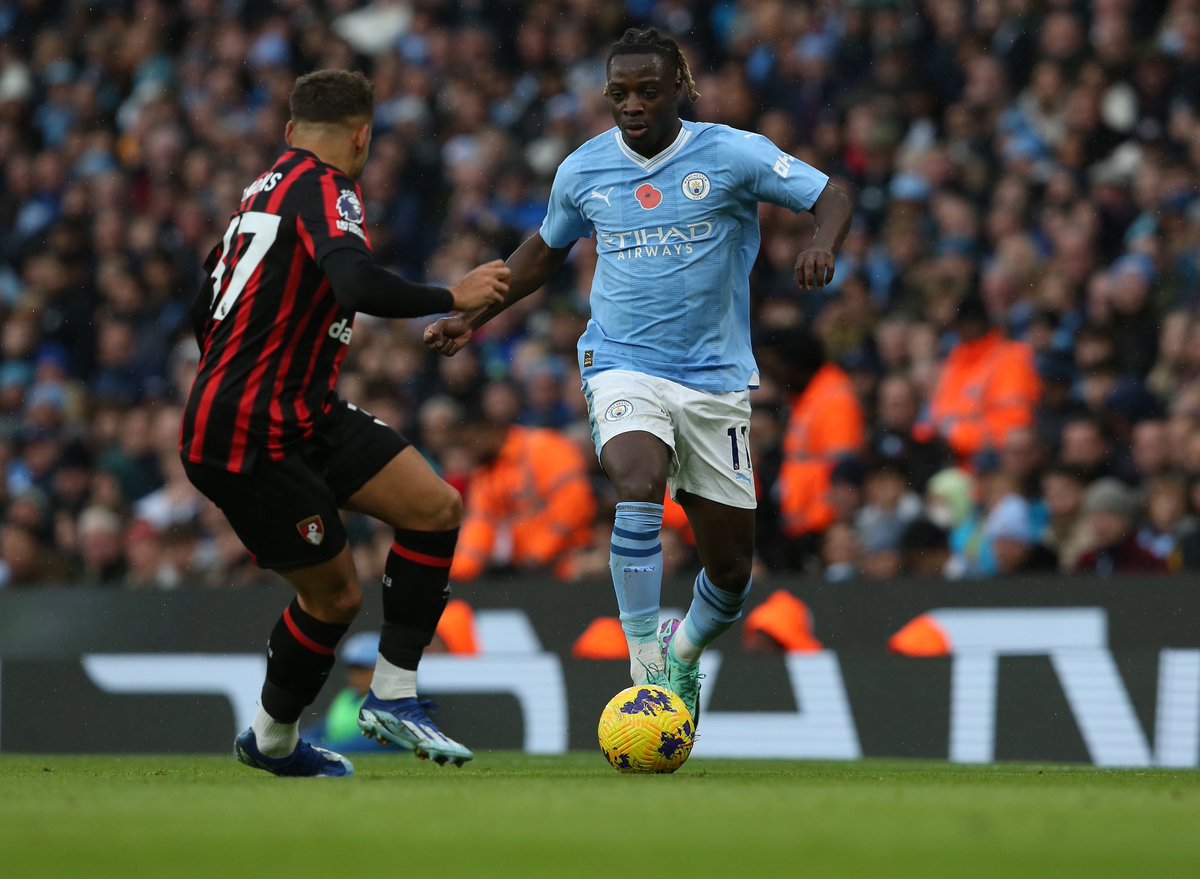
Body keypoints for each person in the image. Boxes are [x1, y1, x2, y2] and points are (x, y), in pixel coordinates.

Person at [425, 28, 852, 725]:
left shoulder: (732, 152)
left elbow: (831, 194)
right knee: (636, 477)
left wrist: (821, 243)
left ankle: (683, 650)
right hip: (622, 363)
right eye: (618, 92)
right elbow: (541, 254)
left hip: (715, 379)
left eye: (647, 90)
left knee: (731, 576)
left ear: (679, 86)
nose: (631, 104)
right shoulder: (585, 169)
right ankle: (646, 660)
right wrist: (472, 318)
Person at [179, 70, 510, 778]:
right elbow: (355, 283)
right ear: (363, 136)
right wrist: (455, 293)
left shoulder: (261, 190)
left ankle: (392, 693)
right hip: (248, 429)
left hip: (297, 408)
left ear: (291, 131)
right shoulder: (329, 188)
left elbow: (202, 297)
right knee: (334, 595)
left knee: (433, 506)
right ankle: (271, 739)